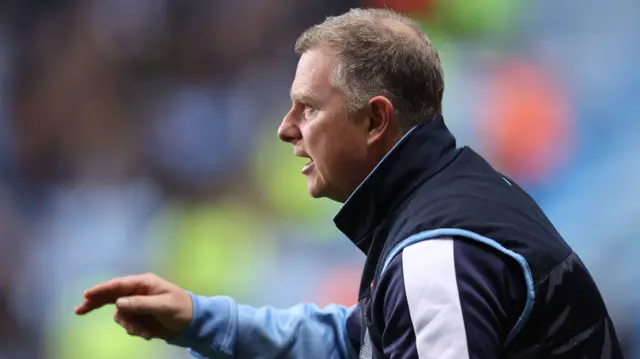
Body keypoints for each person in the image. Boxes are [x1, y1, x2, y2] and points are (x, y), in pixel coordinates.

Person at [75, 8, 623, 359]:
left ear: (374, 120)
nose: (285, 129)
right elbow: (358, 340)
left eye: (308, 109)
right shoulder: (450, 197)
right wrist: (201, 319)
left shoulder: (434, 252)